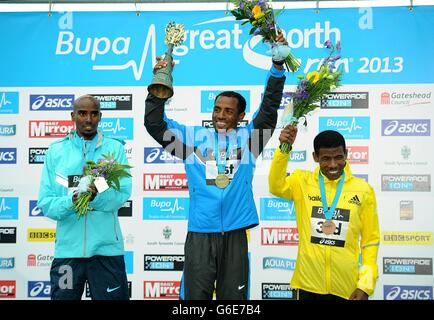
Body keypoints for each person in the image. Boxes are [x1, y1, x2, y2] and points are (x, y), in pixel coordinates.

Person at [145, 31, 289, 300]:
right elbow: (155, 125)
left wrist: (278, 68)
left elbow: (268, 111)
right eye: (217, 109)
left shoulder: (251, 141)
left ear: (241, 115)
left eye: (228, 111)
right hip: (200, 233)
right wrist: (158, 88)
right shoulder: (191, 139)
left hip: (235, 234)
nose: (220, 115)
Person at [37, 95, 132, 300]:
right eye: (82, 113)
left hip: (106, 252)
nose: (88, 119)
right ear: (73, 116)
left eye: (93, 113)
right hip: (68, 255)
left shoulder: (114, 149)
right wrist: (72, 201)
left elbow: (122, 195)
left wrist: (95, 197)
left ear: (100, 116)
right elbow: (46, 203)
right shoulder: (56, 151)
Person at [269, 127, 380, 300]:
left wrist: (365, 285)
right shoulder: (302, 181)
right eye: (326, 159)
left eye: (338, 157)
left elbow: (370, 241)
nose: (333, 165)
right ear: (315, 157)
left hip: (346, 288)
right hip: (308, 286)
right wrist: (284, 148)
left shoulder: (363, 190)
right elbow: (276, 186)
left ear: (346, 154)